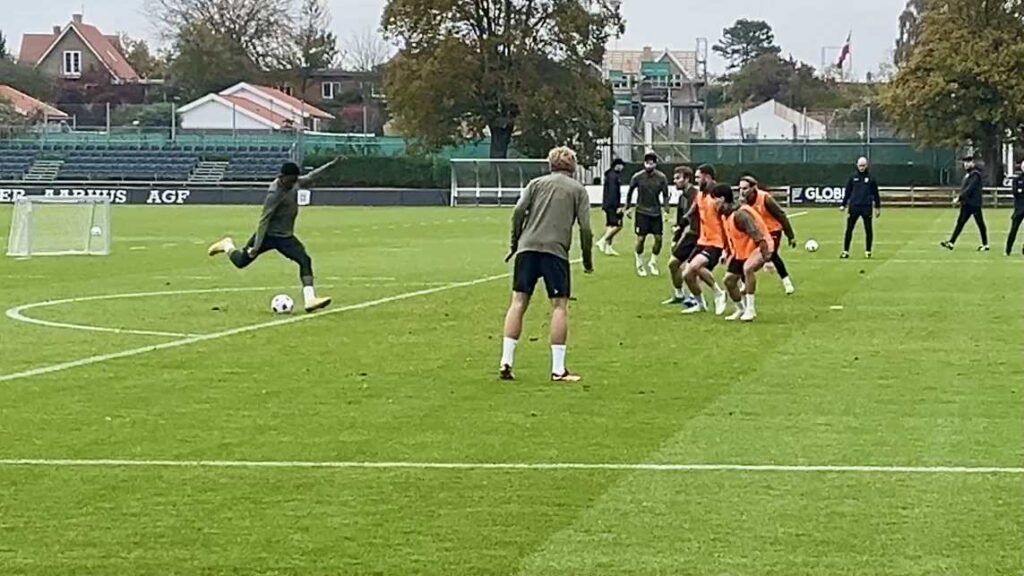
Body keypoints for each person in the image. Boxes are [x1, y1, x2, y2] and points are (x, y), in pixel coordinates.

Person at [499, 146, 593, 383]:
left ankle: (506, 361)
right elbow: (585, 228)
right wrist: (587, 258)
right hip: (555, 252)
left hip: (527, 248)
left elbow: (518, 210)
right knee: (559, 306)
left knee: (518, 302)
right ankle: (558, 369)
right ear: (573, 166)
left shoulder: (536, 183)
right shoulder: (578, 190)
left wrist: (515, 242)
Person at [207, 158, 340, 313]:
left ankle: (310, 299)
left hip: (285, 237)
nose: (293, 183)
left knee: (305, 260)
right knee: (241, 262)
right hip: (268, 236)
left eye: (295, 180)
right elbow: (264, 220)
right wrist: (256, 247)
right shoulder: (274, 194)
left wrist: (332, 165)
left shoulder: (294, 183)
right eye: (290, 180)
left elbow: (312, 176)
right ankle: (227, 245)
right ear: (282, 177)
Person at [716, 184, 774, 322]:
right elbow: (731, 237)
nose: (712, 203)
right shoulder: (725, 215)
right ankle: (740, 309)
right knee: (729, 281)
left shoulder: (740, 215)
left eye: (715, 199)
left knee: (748, 269)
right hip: (741, 252)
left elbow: (757, 235)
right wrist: (726, 252)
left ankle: (750, 309)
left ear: (722, 199)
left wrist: (768, 260)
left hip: (760, 246)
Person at [681, 164, 729, 316]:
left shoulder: (717, 195)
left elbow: (728, 218)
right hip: (703, 240)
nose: (695, 180)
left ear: (707, 177)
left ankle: (719, 293)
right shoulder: (700, 195)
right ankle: (700, 304)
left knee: (696, 266)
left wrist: (727, 248)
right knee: (687, 274)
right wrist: (680, 225)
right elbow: (692, 211)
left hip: (716, 242)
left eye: (697, 177)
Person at [739, 176, 797, 295]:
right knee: (744, 256)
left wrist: (790, 235)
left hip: (772, 230)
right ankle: (745, 284)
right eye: (740, 188)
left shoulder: (765, 198)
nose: (742, 191)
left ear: (753, 188)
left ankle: (786, 282)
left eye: (745, 188)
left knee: (772, 254)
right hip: (757, 232)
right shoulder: (742, 202)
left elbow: (781, 215)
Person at [625, 152, 669, 277]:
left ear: (655, 164)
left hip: (655, 212)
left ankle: (653, 262)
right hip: (641, 212)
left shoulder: (661, 178)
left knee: (658, 239)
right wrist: (628, 208)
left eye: (651, 163)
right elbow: (630, 192)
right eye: (647, 163)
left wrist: (666, 210)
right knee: (640, 239)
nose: (649, 165)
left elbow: (665, 195)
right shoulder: (638, 177)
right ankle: (639, 262)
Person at [662, 166, 700, 307]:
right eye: (674, 178)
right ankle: (679, 294)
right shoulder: (682, 197)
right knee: (673, 264)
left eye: (678, 178)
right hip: (690, 235)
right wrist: (675, 239)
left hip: (700, 235)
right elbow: (680, 221)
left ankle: (694, 297)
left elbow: (689, 218)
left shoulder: (695, 195)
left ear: (687, 179)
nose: (675, 181)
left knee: (694, 267)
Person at [941, 155, 990, 251]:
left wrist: (959, 197)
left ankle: (985, 244)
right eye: (965, 163)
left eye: (968, 162)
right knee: (960, 223)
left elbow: (969, 189)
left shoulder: (975, 175)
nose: (966, 164)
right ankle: (951, 242)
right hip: (967, 203)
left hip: (974, 204)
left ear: (972, 163)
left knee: (980, 224)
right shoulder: (969, 174)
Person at [840, 157, 881, 259]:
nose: (862, 167)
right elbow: (848, 192)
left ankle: (868, 251)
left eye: (863, 165)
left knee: (868, 230)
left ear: (866, 165)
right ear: (857, 165)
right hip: (854, 207)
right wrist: (843, 204)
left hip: (866, 207)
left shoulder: (871, 178)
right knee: (849, 229)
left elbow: (876, 194)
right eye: (860, 165)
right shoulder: (852, 177)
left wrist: (877, 207)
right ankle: (845, 251)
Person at [596, 158, 625, 256]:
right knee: (618, 225)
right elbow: (613, 192)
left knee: (611, 225)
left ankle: (608, 247)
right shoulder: (613, 177)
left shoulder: (610, 175)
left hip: (608, 204)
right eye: (621, 165)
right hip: (612, 205)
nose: (622, 167)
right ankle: (602, 240)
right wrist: (617, 206)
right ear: (617, 165)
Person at [1005, 161, 1024, 256]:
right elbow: (1015, 192)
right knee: (1014, 229)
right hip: (1019, 209)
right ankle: (1008, 249)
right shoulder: (1017, 180)